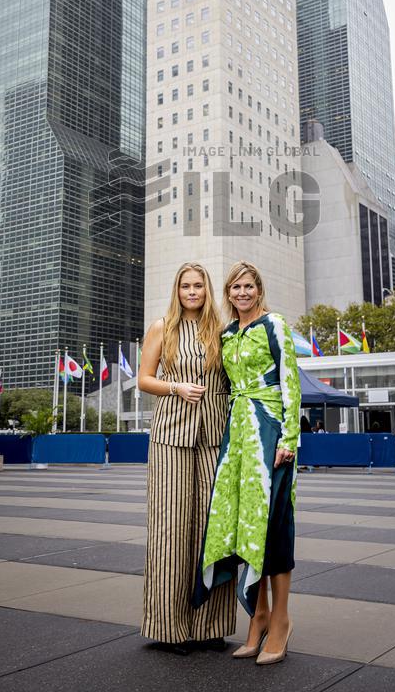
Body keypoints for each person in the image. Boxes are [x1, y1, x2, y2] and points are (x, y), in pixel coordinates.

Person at [193, 261, 300, 666]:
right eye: (235, 287)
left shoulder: (275, 325)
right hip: (236, 438)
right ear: (227, 293)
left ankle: (282, 620)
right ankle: (258, 618)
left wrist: (289, 438)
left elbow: (290, 382)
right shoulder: (226, 334)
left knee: (274, 526)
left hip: (271, 432)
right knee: (242, 528)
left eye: (248, 286)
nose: (242, 292)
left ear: (259, 289)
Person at [139, 262, 236, 654]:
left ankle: (211, 625)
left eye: (198, 285)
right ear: (177, 290)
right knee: (171, 530)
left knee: (214, 530)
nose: (192, 291)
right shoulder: (162, 327)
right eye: (185, 286)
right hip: (171, 436)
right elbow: (144, 379)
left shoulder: (223, 331)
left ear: (207, 290)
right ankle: (170, 628)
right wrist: (175, 387)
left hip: (214, 436)